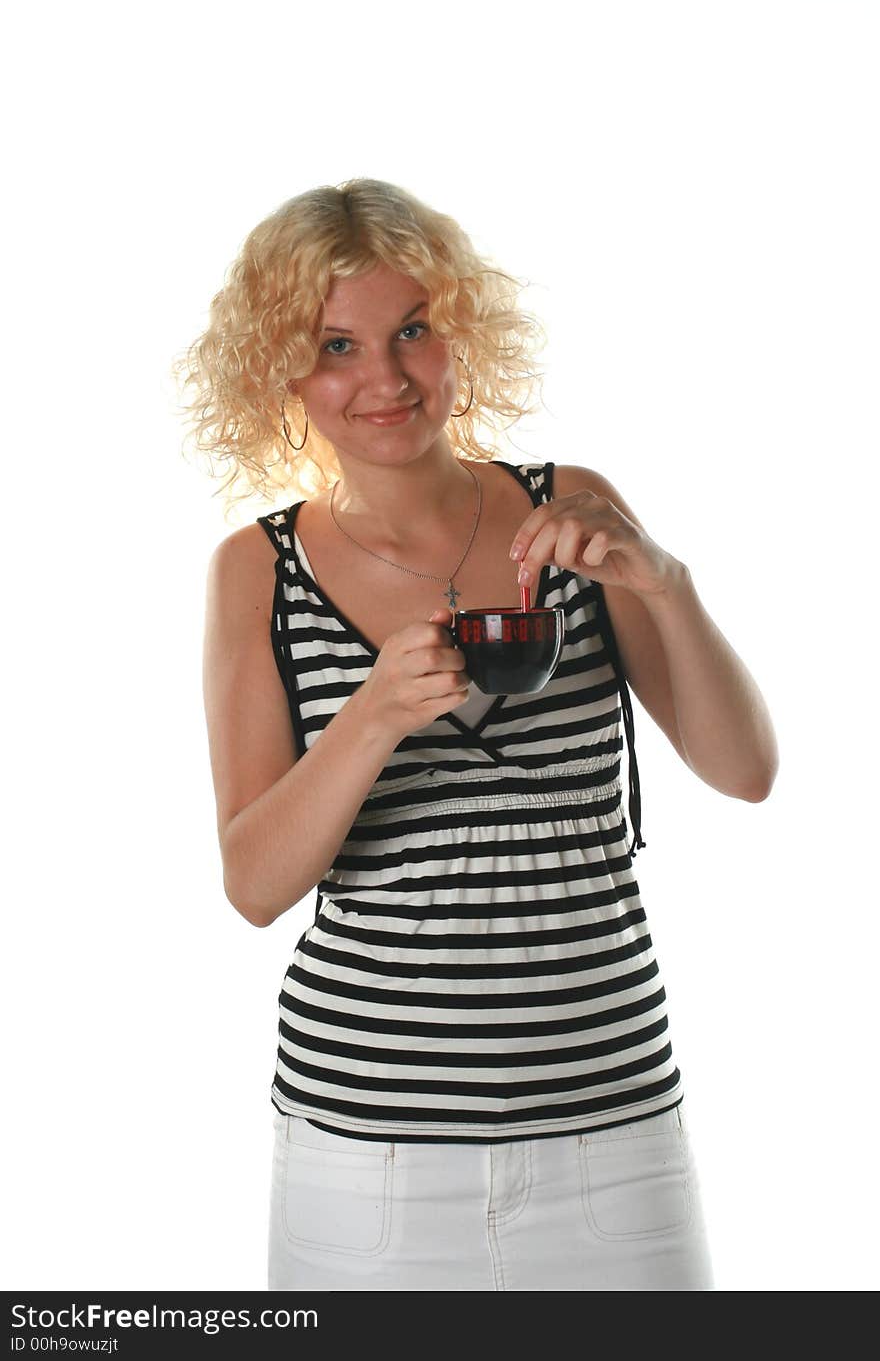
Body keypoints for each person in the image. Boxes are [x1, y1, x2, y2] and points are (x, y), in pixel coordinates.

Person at [176, 177, 778, 1291]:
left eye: (412, 330)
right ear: (281, 370)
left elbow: (745, 772)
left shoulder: (570, 505)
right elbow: (253, 884)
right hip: (366, 1154)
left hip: (613, 1129)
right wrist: (369, 717)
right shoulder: (256, 570)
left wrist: (668, 585)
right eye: (336, 346)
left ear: (459, 331)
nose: (387, 378)